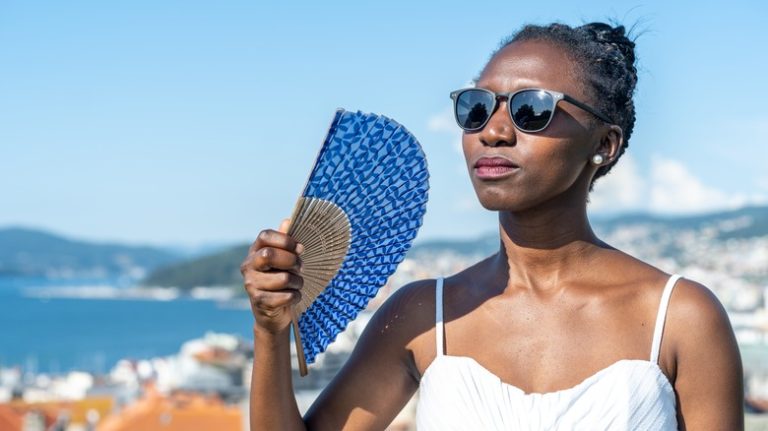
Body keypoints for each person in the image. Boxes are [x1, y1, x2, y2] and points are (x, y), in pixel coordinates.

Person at [241, 21, 744, 430]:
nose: (494, 131)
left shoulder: (680, 317)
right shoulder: (422, 316)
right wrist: (270, 331)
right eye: (476, 108)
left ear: (604, 145)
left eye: (532, 110)